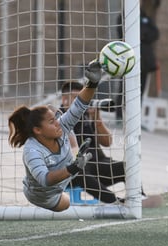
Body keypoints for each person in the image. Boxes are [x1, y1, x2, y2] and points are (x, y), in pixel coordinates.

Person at [7, 61, 102, 212]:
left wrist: (93, 83)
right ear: (38, 130)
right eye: (52, 121)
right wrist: (73, 168)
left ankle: (115, 202)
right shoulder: (32, 151)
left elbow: (78, 106)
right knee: (66, 203)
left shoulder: (61, 127)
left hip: (63, 182)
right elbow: (45, 179)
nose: (57, 123)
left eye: (56, 119)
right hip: (42, 196)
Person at [60, 81, 137, 203]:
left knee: (127, 166)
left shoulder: (86, 115)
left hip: (96, 165)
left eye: (84, 99)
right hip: (73, 170)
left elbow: (107, 142)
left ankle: (139, 198)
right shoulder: (59, 118)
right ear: (64, 100)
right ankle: (114, 202)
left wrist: (97, 119)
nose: (82, 103)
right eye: (77, 99)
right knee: (80, 172)